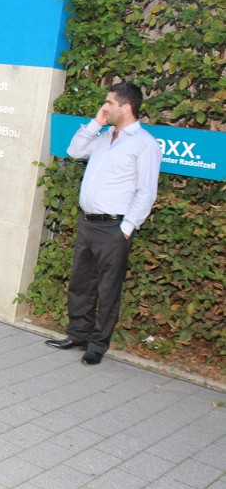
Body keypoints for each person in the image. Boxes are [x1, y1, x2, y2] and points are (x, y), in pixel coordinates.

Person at [45, 81, 161, 365]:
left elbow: (146, 191)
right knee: (80, 283)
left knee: (108, 289)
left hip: (113, 228)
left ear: (126, 107)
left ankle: (97, 344)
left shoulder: (144, 144)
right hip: (87, 223)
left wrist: (127, 227)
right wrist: (96, 123)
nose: (104, 107)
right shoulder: (104, 135)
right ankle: (78, 334)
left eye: (109, 102)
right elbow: (74, 150)